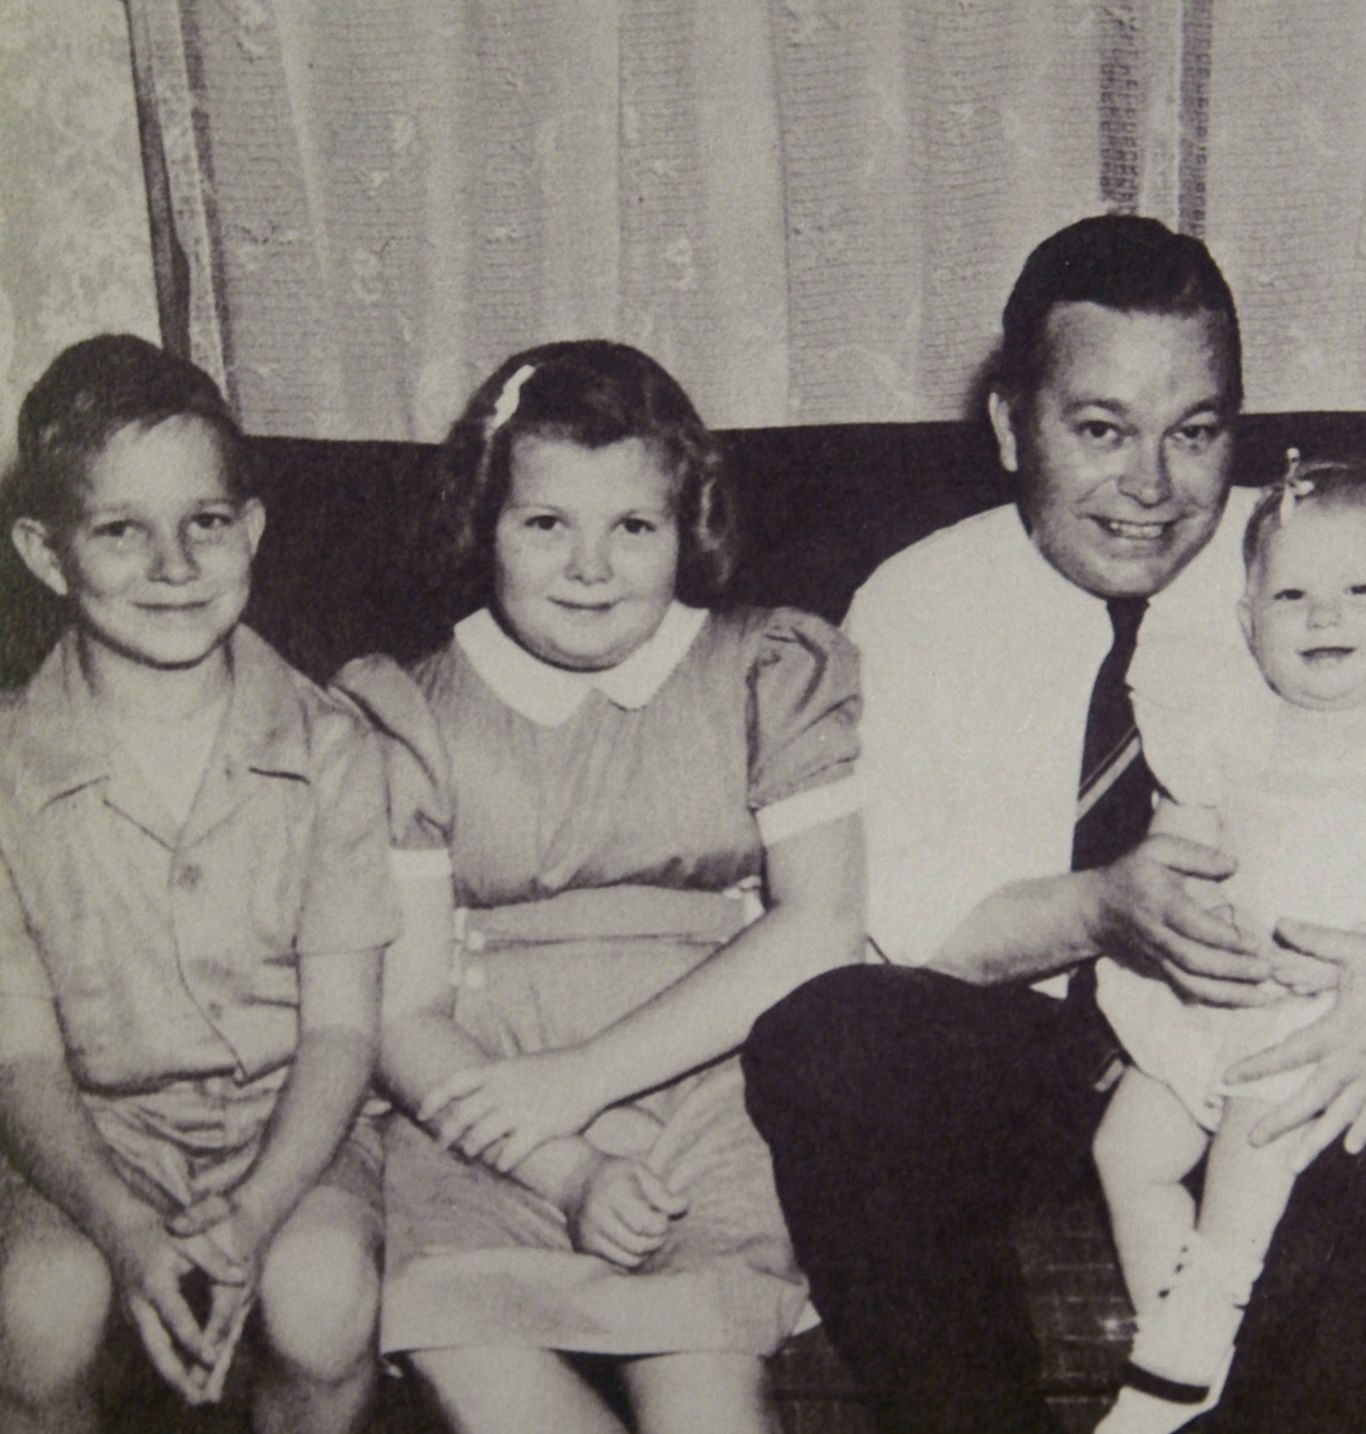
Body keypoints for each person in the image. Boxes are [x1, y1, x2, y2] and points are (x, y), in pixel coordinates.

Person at [742, 214, 1366, 1434]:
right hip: (1027, 1045)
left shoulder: (1332, 566)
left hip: (1285, 1026)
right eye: (1101, 431)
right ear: (1010, 425)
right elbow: (906, 914)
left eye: (1194, 433)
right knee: (829, 1038)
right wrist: (1103, 909)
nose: (1152, 487)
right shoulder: (917, 601)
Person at [333, 340, 864, 1434]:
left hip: (708, 1085)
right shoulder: (410, 710)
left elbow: (822, 926)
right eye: (545, 524)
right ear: (484, 525)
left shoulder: (764, 668)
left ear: (688, 528)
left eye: (633, 527)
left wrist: (584, 1080)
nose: (591, 567)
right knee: (478, 1362)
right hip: (488, 1111)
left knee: (706, 1390)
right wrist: (564, 1162)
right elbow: (401, 1014)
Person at [1091, 457, 1366, 1434]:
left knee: (1255, 1130)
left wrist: (1357, 952)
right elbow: (1178, 849)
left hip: (1348, 1002)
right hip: (1227, 991)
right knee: (1127, 1146)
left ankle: (1204, 1312)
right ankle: (1185, 1344)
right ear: (1249, 623)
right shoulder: (1225, 730)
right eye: (1291, 596)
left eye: (1359, 591)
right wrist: (1184, 922)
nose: (1324, 615)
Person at [0, 335, 393, 1434]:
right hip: (87, 1136)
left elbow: (342, 1033)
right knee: (37, 1310)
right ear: (46, 554)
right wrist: (122, 1227)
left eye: (205, 523)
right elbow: (20, 1055)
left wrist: (257, 1213)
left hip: (294, 1124)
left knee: (323, 1300)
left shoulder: (331, 747)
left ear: (251, 531)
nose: (174, 566)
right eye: (120, 530)